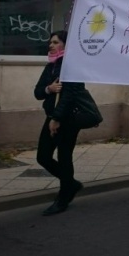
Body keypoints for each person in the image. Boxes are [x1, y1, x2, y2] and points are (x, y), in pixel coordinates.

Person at [33, 30, 85, 215]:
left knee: (64, 157)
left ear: (65, 44)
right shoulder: (51, 66)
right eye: (50, 42)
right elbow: (38, 92)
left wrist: (57, 118)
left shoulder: (72, 66)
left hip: (68, 119)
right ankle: (70, 184)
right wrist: (49, 88)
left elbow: (70, 96)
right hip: (52, 117)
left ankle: (63, 197)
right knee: (43, 156)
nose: (51, 45)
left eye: (55, 42)